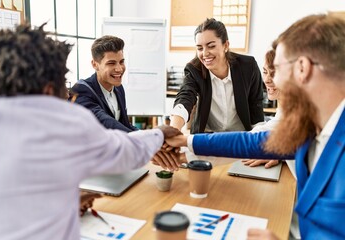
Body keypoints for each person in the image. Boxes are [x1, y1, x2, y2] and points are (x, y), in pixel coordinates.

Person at [0, 23, 181, 240]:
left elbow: (13, 190)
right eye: (63, 83)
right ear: (49, 88)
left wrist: (68, 198)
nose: (68, 94)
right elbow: (125, 151)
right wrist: (160, 132)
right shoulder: (66, 122)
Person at [166, 14, 345, 239]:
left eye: (276, 70)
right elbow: (252, 142)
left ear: (302, 69)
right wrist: (184, 141)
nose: (271, 82)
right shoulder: (309, 127)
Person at [170, 18, 264, 134]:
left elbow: (256, 107)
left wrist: (257, 138)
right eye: (200, 48)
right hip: (207, 137)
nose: (204, 53)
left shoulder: (248, 66)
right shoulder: (194, 69)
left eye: (211, 46)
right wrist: (173, 130)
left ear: (226, 45)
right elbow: (185, 97)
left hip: (240, 137)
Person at [71, 35, 136, 132]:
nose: (119, 69)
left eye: (121, 62)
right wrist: (146, 140)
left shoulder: (118, 88)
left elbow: (124, 124)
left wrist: (154, 137)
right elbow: (105, 122)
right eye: (111, 63)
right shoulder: (81, 90)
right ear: (95, 64)